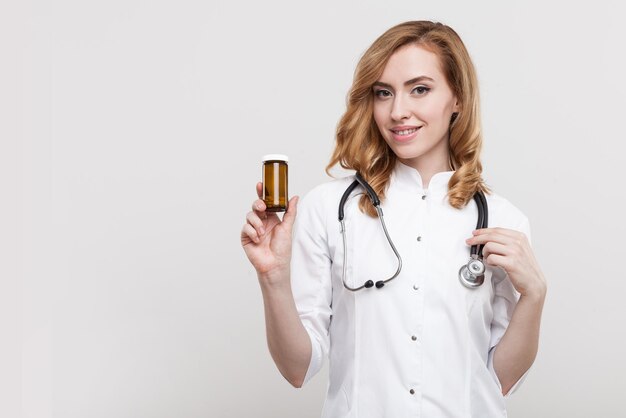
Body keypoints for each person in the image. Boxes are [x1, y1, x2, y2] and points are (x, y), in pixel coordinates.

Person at [241, 20, 547, 417]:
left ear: (457, 98)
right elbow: (297, 368)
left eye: (420, 89)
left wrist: (534, 296)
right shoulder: (328, 210)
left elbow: (502, 379)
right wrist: (273, 278)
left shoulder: (504, 222)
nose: (398, 111)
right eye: (383, 93)